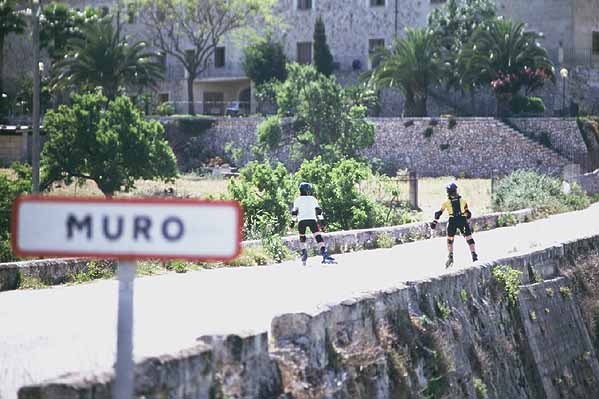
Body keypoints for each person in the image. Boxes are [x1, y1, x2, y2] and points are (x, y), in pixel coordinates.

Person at [430, 182, 478, 268]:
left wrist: (434, 222)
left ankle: (450, 256)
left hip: (452, 221)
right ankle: (474, 254)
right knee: (469, 238)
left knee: (450, 239)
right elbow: (468, 214)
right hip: (462, 220)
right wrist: (466, 217)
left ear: (448, 192)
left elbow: (438, 213)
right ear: (456, 191)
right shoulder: (463, 201)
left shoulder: (446, 202)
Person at [291, 182, 336, 265]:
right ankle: (325, 255)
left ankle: (304, 254)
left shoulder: (297, 200)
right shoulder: (312, 198)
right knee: (318, 237)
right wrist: (322, 221)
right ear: (307, 190)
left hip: (302, 221)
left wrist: (292, 223)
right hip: (312, 220)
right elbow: (318, 211)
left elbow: (294, 212)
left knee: (302, 238)